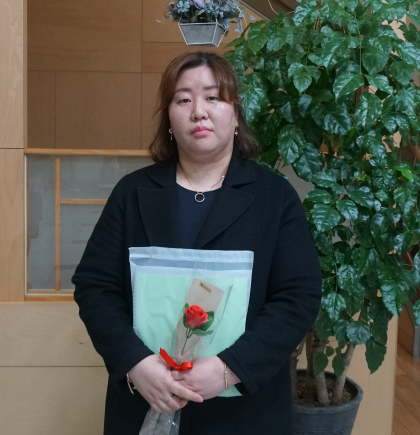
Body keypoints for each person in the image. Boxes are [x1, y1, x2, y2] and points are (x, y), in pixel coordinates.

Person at [71, 51, 323, 435]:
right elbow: (95, 286)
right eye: (184, 99)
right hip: (146, 396)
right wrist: (136, 363)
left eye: (213, 97)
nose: (198, 111)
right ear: (169, 120)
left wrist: (228, 369)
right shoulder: (133, 193)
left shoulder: (274, 197)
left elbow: (298, 295)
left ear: (235, 116)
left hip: (244, 409)